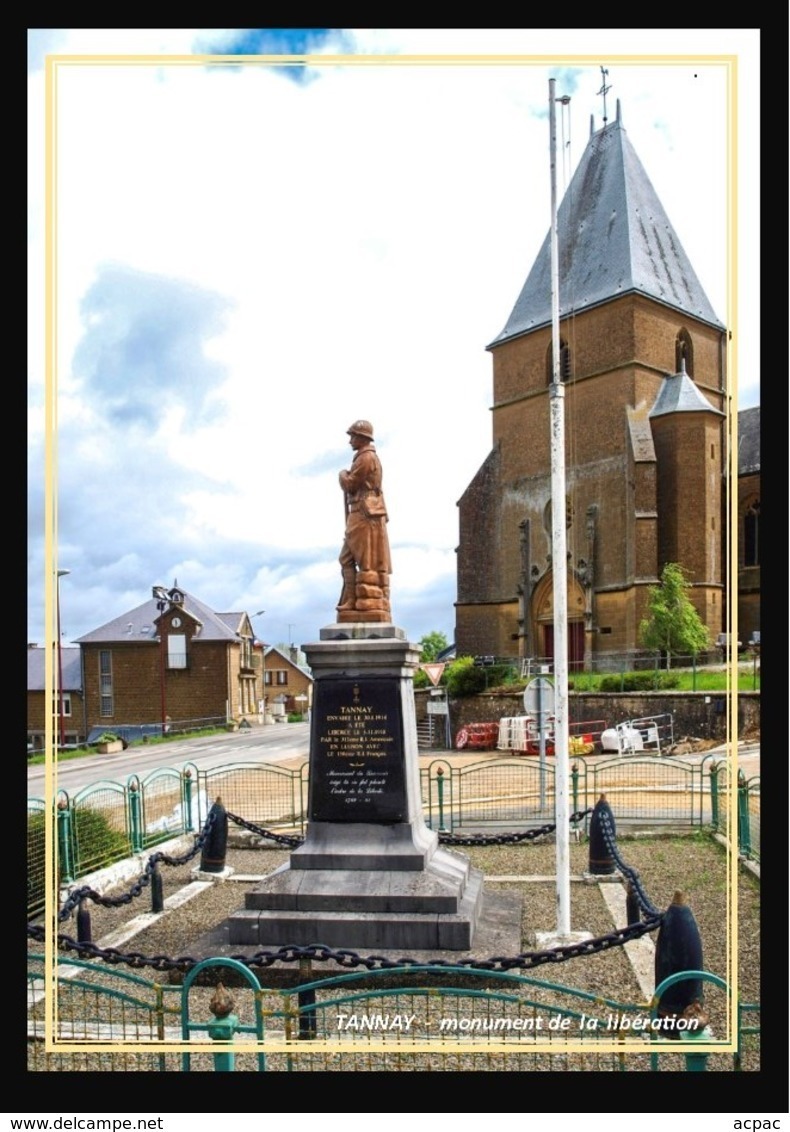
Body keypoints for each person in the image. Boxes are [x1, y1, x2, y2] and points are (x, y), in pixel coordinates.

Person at [337, 419, 392, 620]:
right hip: (363, 510)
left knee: (358, 559)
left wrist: (342, 475)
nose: (350, 440)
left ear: (362, 438)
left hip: (364, 512)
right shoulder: (365, 457)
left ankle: (357, 600)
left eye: (353, 436)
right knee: (349, 558)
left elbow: (351, 484)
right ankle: (352, 599)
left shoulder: (366, 458)